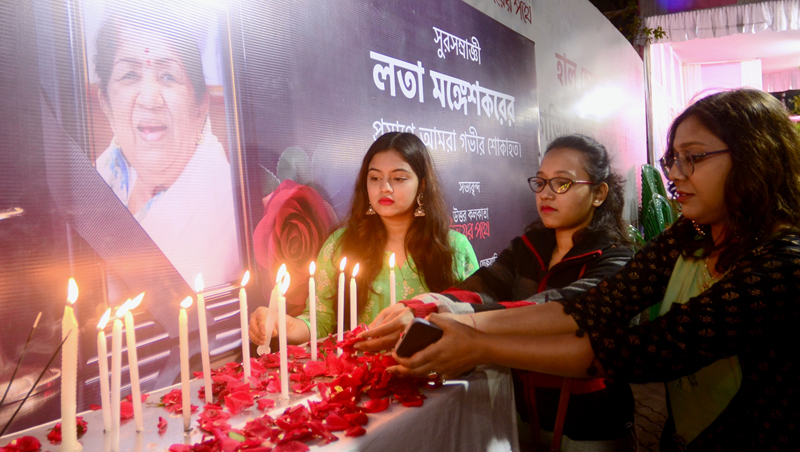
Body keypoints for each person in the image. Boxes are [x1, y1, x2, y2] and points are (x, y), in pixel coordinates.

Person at [390, 89, 800, 451]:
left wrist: (477, 341)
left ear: (754, 156)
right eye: (673, 159)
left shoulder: (784, 265)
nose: (674, 174)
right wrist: (441, 311)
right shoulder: (692, 234)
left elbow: (636, 351)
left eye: (692, 158)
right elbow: (592, 308)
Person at [360, 134, 636, 450]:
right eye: (541, 182)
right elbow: (480, 289)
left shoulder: (615, 259)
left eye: (562, 184)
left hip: (591, 426)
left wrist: (458, 321)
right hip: (521, 417)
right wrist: (423, 305)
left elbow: (554, 307)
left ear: (599, 193)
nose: (546, 194)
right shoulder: (526, 249)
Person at [248, 132, 478, 345]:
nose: (384, 188)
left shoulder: (454, 248)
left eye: (399, 179)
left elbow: (474, 322)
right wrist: (283, 325)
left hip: (436, 378)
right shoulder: (340, 246)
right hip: (361, 379)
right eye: (375, 178)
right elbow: (320, 323)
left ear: (422, 185)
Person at [93, 9, 240, 287]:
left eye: (168, 76)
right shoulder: (100, 175)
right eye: (130, 75)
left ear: (201, 107)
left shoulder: (224, 211)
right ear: (105, 105)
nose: (150, 98)